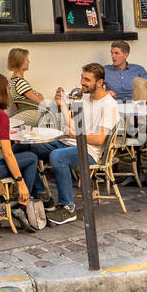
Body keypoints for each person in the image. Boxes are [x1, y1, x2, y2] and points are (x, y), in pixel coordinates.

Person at [0, 73, 51, 225]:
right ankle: (22, 205)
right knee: (31, 158)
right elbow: (7, 154)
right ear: (3, 91)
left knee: (18, 150)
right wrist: (20, 182)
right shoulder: (0, 116)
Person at [42, 64, 120, 225]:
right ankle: (42, 195)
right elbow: (75, 126)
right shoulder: (84, 98)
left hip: (90, 152)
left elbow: (99, 139)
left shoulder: (109, 105)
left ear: (99, 82)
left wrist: (75, 134)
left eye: (87, 79)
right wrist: (62, 104)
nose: (82, 82)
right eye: (82, 77)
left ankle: (68, 207)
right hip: (71, 143)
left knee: (57, 157)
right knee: (31, 147)